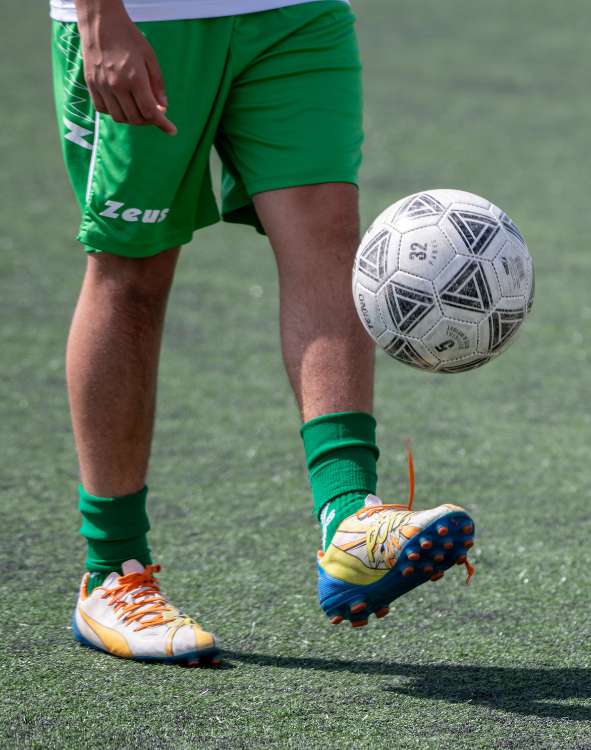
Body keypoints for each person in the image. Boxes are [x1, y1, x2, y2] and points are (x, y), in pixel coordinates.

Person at [52, 0, 475, 666]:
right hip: (147, 17)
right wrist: (101, 15)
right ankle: (113, 572)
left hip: (294, 13)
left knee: (329, 237)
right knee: (133, 272)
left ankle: (350, 519)